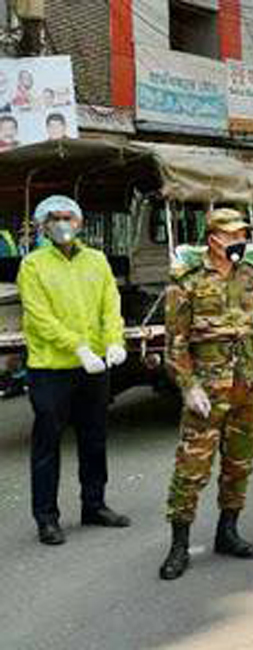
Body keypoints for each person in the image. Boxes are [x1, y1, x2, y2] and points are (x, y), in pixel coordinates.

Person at [158, 208, 253, 581]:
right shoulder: (187, 283)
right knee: (191, 469)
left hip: (247, 385)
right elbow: (175, 345)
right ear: (213, 239)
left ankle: (227, 532)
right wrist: (189, 386)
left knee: (239, 464)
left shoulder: (251, 278)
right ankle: (178, 545)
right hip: (208, 391)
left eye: (243, 234)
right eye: (232, 235)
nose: (239, 241)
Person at [16, 195, 131, 546]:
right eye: (55, 218)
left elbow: (110, 305)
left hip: (95, 367)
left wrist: (114, 341)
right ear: (43, 225)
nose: (63, 223)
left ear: (80, 222)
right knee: (47, 443)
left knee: (94, 437)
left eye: (69, 217)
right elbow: (39, 317)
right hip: (51, 368)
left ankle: (94, 505)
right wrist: (77, 347)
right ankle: (47, 518)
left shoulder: (96, 261)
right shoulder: (33, 266)